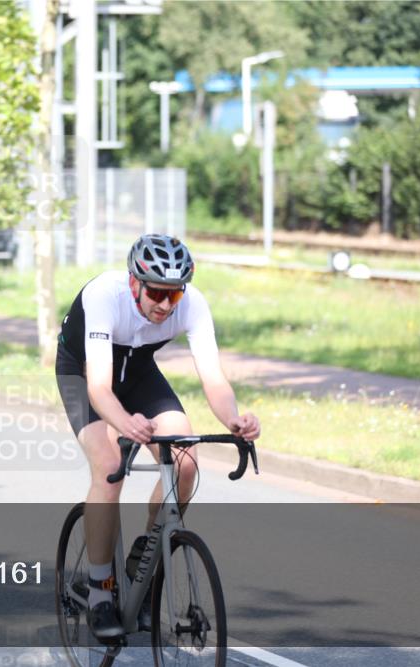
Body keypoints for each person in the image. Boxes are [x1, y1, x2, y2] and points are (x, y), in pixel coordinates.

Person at [54, 234, 261, 640]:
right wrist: (125, 423)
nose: (166, 305)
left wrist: (235, 418)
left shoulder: (193, 304)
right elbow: (99, 388)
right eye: (156, 293)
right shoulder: (103, 295)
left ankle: (142, 562)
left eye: (174, 295)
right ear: (135, 282)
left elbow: (213, 377)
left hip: (139, 375)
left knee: (185, 464)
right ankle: (100, 591)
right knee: (110, 466)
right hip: (84, 373)